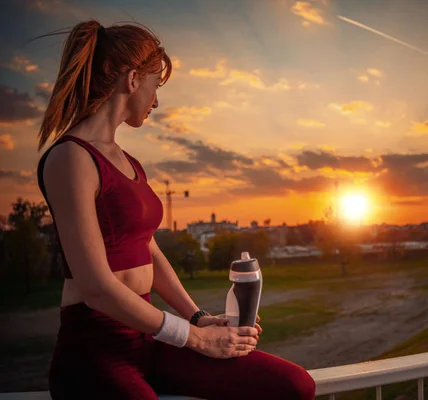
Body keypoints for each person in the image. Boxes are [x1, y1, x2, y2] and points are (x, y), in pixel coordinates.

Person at [35, 20, 316, 400]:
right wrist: (196, 338)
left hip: (150, 338)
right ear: (133, 79)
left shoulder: (129, 161)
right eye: (156, 86)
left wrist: (199, 318)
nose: (156, 102)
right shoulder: (71, 158)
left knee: (294, 386)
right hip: (94, 351)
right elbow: (96, 288)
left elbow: (148, 248)